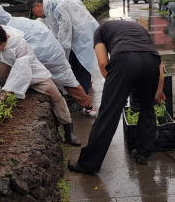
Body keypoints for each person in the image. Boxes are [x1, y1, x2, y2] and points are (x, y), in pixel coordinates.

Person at [67, 20, 166, 175]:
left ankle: (88, 164)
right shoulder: (140, 29)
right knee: (148, 107)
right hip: (151, 61)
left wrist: (116, 87)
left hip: (124, 60)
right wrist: (159, 90)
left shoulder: (99, 31)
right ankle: (142, 153)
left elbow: (102, 62)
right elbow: (158, 62)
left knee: (108, 113)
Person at [0, 4, 96, 117]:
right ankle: (89, 107)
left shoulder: (10, 31)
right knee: (69, 80)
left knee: (33, 76)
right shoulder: (19, 21)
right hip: (54, 53)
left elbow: (21, 68)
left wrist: (6, 91)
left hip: (41, 55)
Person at [0, 22, 81, 146]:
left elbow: (22, 70)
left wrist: (6, 92)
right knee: (0, 67)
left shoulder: (19, 43)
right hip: (10, 76)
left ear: (4, 37)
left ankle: (68, 130)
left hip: (33, 74)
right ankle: (11, 94)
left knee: (56, 96)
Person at [26, 0, 99, 117]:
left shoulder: (55, 5)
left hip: (82, 38)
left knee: (82, 67)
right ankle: (76, 97)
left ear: (37, 6)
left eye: (34, 13)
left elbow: (65, 26)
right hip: (75, 39)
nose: (36, 16)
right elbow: (47, 24)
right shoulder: (49, 7)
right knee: (74, 66)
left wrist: (61, 46)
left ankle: (81, 101)